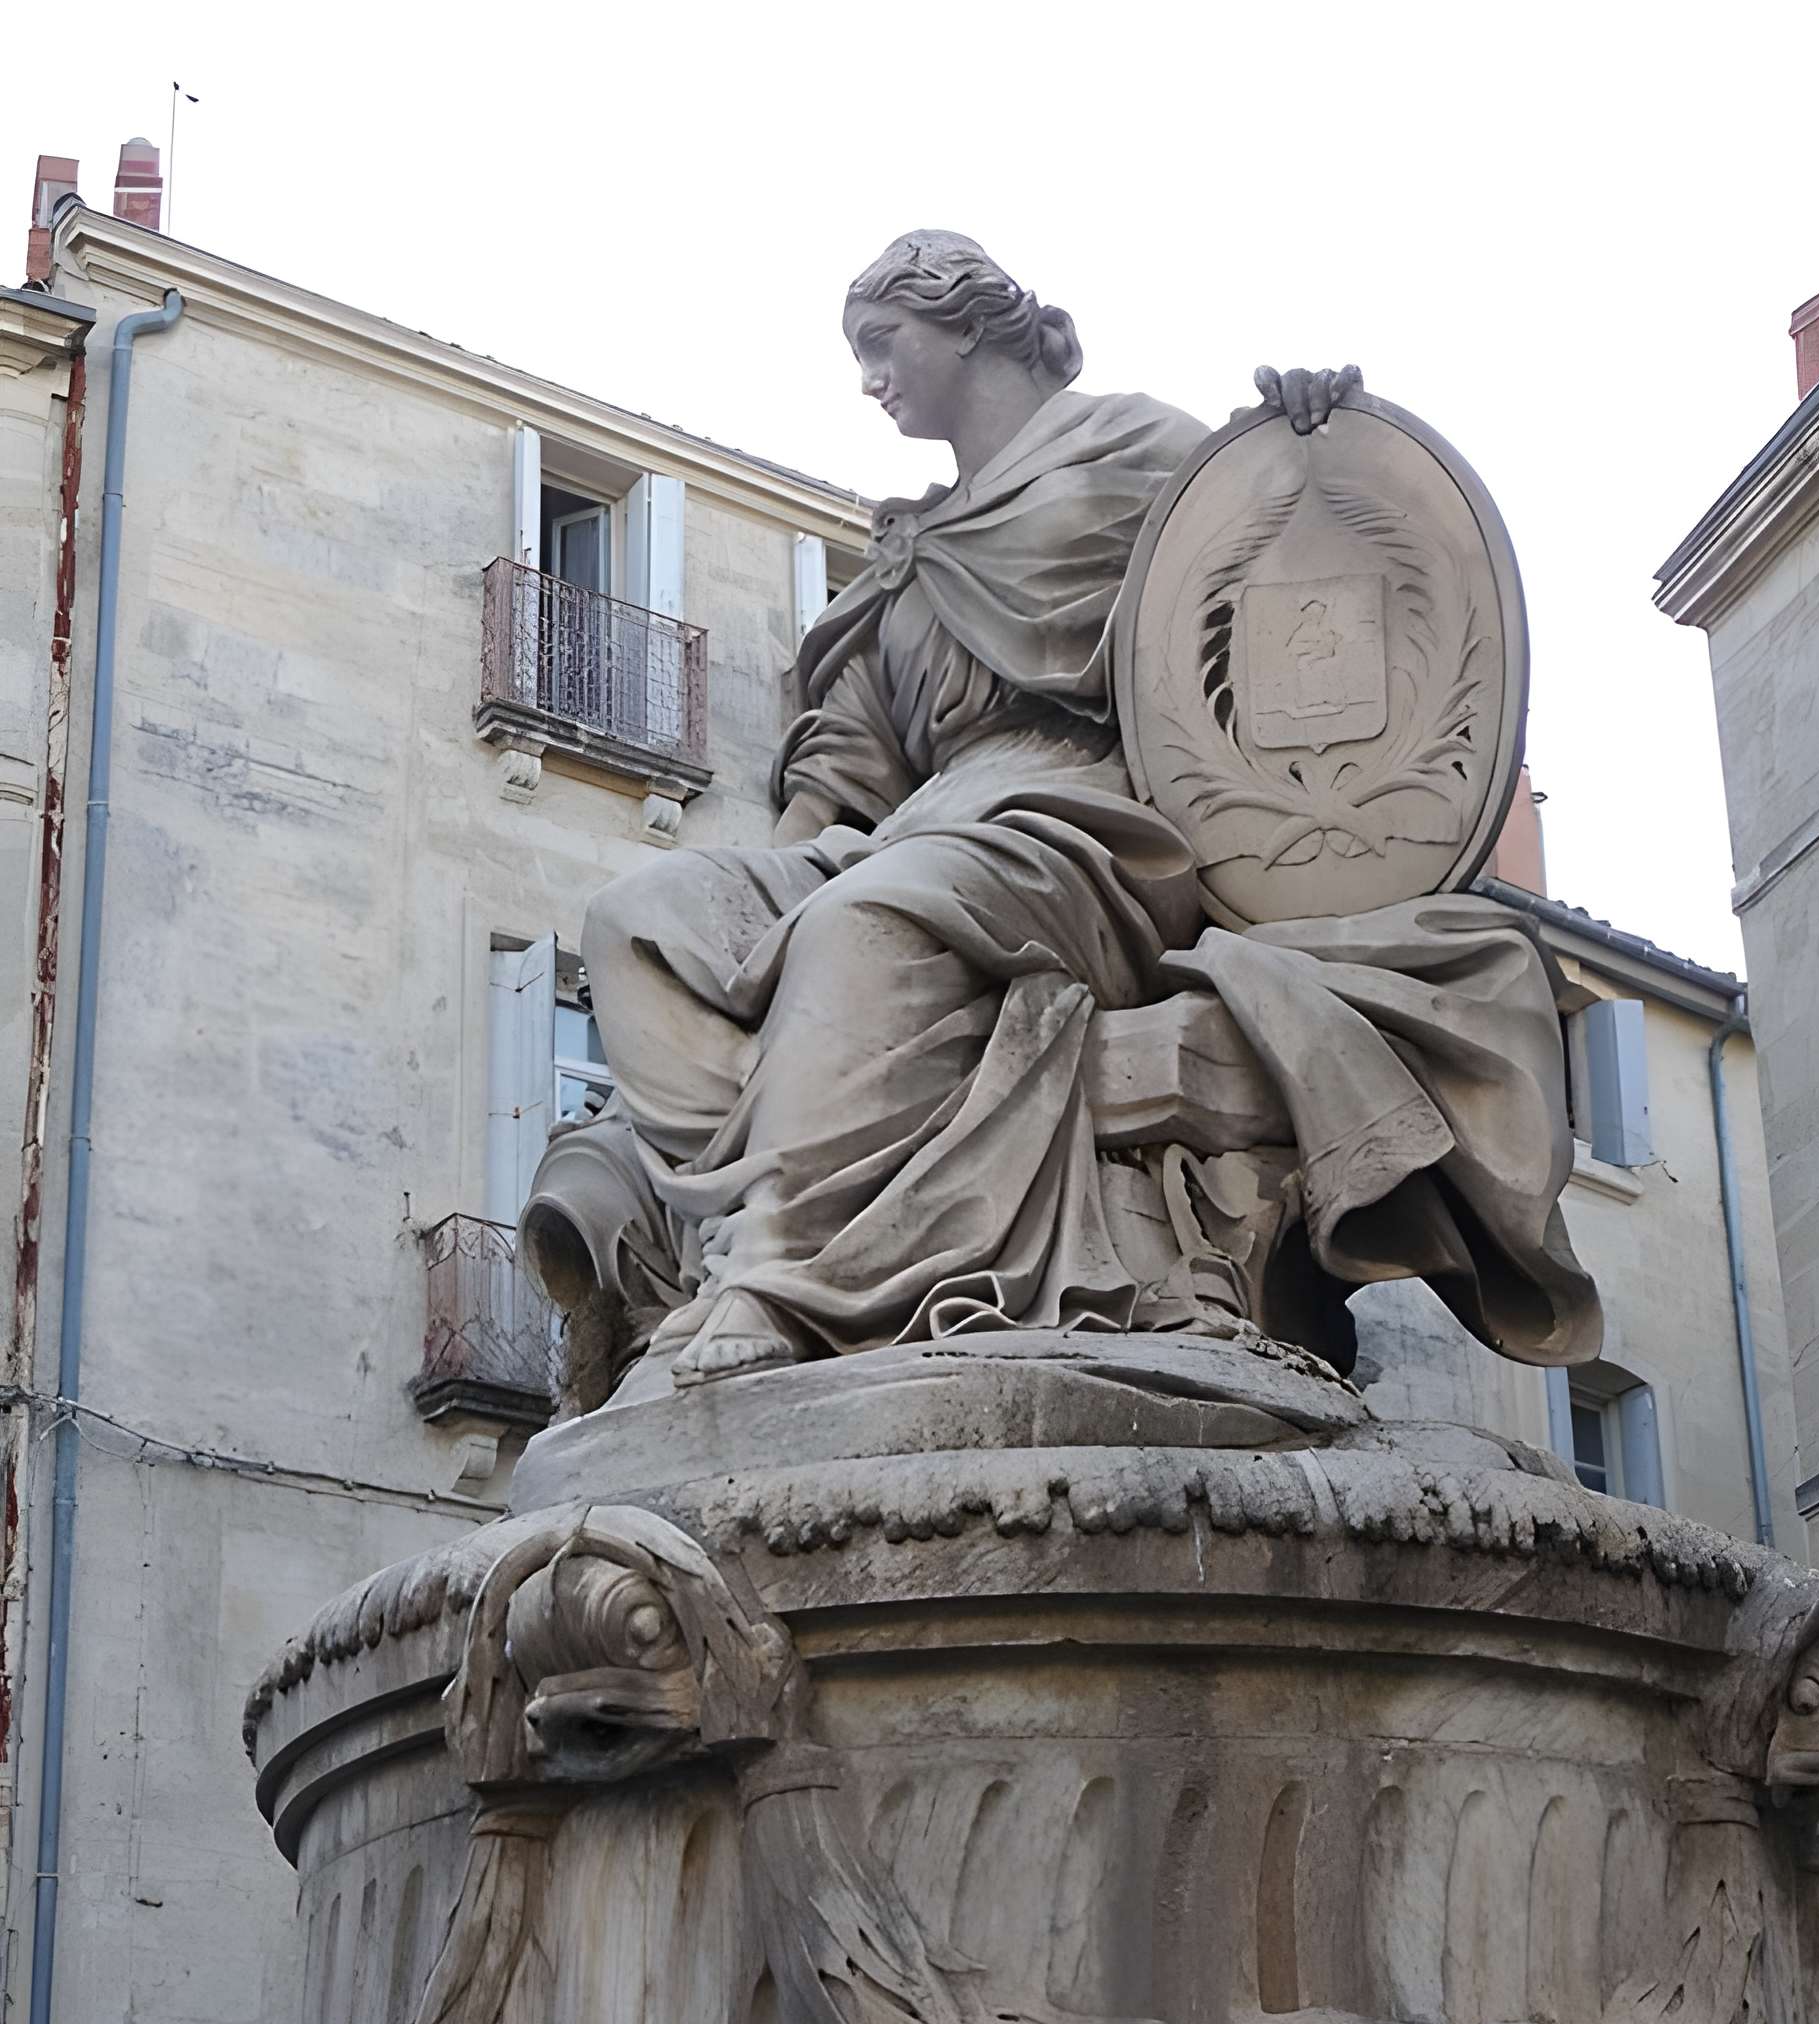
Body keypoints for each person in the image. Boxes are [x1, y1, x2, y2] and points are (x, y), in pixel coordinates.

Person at [523, 231, 1597, 1391]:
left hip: (1091, 821)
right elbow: (846, 770)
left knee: (866, 923)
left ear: (963, 325)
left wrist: (1313, 442)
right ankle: (744, 1219)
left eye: (881, 343)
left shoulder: (1137, 452)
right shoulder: (909, 550)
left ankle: (779, 1264)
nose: (868, 379)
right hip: (911, 829)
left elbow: (1283, 562)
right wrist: (747, 919)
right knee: (640, 919)